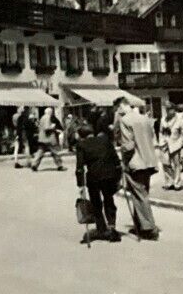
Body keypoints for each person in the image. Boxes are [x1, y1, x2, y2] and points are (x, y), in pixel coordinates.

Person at [113, 96, 160, 240]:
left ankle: (149, 227)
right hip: (148, 160)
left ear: (121, 107)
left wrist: (122, 159)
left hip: (135, 162)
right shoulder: (144, 118)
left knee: (140, 195)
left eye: (117, 110)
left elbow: (128, 146)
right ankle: (140, 225)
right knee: (141, 193)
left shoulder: (125, 120)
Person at [74, 109, 122, 243]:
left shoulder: (81, 145)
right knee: (109, 200)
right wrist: (118, 176)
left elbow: (79, 167)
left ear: (81, 136)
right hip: (109, 175)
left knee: (96, 203)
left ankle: (101, 228)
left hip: (94, 178)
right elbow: (115, 159)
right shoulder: (105, 140)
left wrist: (80, 185)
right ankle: (112, 227)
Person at [161, 104, 183, 190]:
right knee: (165, 164)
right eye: (167, 109)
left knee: (177, 164)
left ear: (174, 109)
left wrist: (180, 144)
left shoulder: (180, 119)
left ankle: (177, 183)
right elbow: (161, 131)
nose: (168, 111)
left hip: (176, 144)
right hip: (165, 143)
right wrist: (161, 141)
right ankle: (169, 182)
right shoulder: (163, 119)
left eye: (170, 109)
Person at [30, 103, 64, 171]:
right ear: (50, 112)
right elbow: (46, 128)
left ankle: (34, 164)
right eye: (51, 112)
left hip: (42, 138)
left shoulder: (42, 117)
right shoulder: (48, 117)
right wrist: (53, 127)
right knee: (55, 152)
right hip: (49, 138)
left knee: (40, 152)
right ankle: (59, 165)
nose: (52, 113)